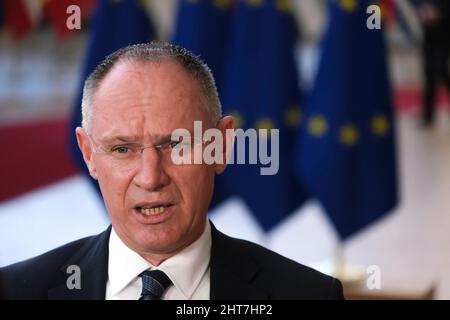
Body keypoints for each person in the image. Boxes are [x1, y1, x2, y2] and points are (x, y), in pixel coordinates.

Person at [0, 42, 344, 300]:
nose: (151, 178)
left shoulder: (308, 295)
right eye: (123, 149)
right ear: (89, 154)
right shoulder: (14, 292)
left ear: (221, 146)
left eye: (176, 145)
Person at [410, 0, 450, 126]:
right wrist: (422, 12)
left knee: (440, 70)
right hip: (430, 33)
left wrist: (439, 12)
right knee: (429, 71)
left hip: (444, 31)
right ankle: (428, 115)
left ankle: (428, 115)